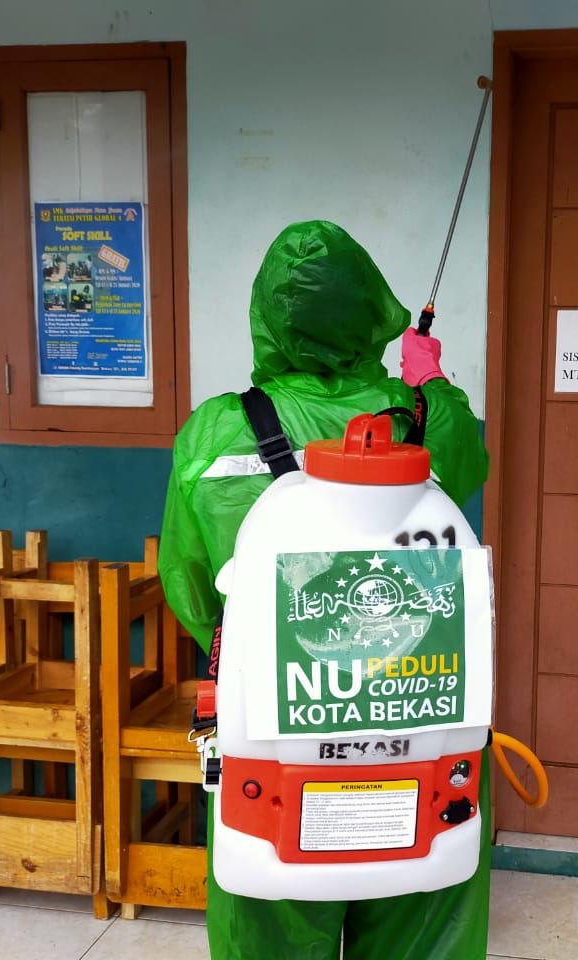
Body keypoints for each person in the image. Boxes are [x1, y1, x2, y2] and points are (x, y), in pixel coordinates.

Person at [158, 219, 491, 960]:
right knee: (422, 915)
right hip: (419, 718)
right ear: (374, 306)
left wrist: (265, 660)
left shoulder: (215, 430)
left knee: (269, 914)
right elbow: (469, 464)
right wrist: (429, 375)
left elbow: (187, 582)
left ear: (266, 318)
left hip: (271, 724)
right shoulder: (419, 418)